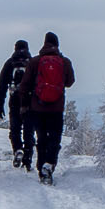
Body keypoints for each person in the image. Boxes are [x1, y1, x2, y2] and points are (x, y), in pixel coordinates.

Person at [21, 31, 74, 184]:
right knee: (55, 139)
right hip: (56, 108)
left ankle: (41, 170)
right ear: (57, 44)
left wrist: (25, 104)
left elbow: (25, 85)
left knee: (42, 139)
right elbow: (70, 82)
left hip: (37, 108)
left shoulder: (34, 61)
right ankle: (49, 165)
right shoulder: (64, 62)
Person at [0, 39, 34, 169]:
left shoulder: (10, 63)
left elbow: (1, 85)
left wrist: (0, 104)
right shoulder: (33, 63)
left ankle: (17, 149)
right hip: (29, 101)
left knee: (15, 129)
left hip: (14, 100)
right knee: (29, 131)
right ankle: (27, 160)